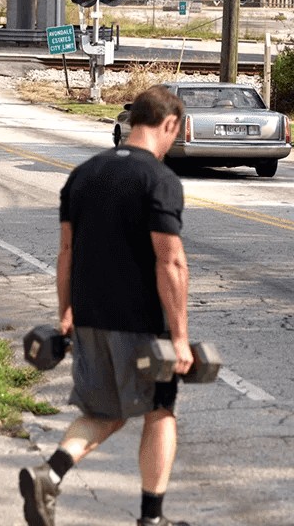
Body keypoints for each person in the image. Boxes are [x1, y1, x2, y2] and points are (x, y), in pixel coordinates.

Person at [19, 85, 193, 526]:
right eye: (176, 133)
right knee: (160, 411)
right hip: (140, 325)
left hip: (90, 318)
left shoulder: (83, 174)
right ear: (168, 124)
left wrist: (66, 315)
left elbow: (65, 253)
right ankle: (151, 518)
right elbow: (169, 261)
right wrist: (179, 337)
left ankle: (50, 474)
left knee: (103, 413)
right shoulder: (158, 179)